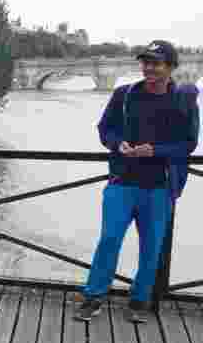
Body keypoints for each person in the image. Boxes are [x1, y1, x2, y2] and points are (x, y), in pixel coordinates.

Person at [76, 41, 199, 324]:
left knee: (151, 246)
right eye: (145, 62)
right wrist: (118, 144)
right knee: (109, 239)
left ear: (171, 67)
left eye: (156, 63)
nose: (149, 68)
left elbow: (189, 144)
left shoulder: (183, 100)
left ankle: (139, 300)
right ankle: (94, 296)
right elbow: (105, 129)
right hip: (122, 182)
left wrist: (155, 150)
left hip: (159, 187)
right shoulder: (124, 94)